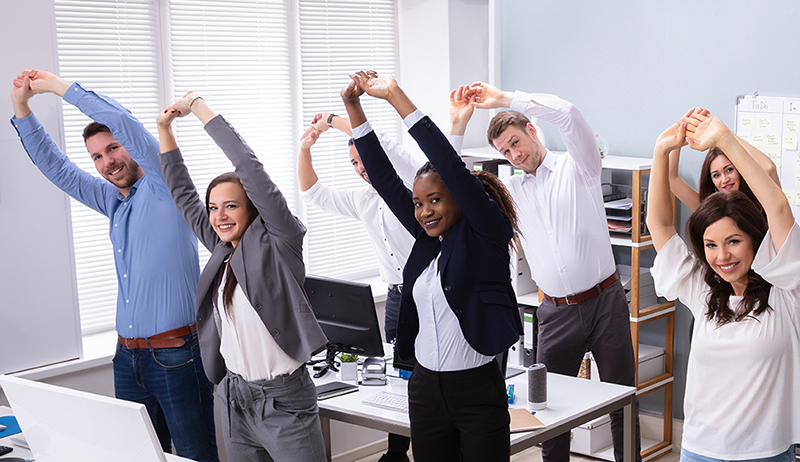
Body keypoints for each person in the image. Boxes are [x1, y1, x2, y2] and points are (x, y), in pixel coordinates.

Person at [9, 70, 218, 461]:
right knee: (137, 456)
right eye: (98, 156)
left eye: (113, 148)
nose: (108, 161)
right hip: (127, 358)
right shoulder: (113, 203)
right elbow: (57, 168)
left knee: (195, 456)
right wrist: (21, 106)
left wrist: (56, 86)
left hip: (177, 354)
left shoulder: (166, 185)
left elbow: (125, 123)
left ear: (131, 148)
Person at [340, 72, 523, 462]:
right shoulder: (426, 242)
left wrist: (394, 96)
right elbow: (386, 179)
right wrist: (354, 108)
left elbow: (449, 167)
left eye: (435, 200)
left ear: (458, 197)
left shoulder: (488, 236)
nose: (424, 211)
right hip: (424, 389)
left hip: (476, 391)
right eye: (419, 203)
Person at [458, 81, 642, 462]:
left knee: (621, 399)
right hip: (555, 313)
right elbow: (455, 185)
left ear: (532, 131)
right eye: (504, 151)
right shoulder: (509, 192)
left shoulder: (580, 167)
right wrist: (458, 124)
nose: (514, 154)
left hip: (605, 302)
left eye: (515, 142)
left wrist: (505, 99)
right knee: (548, 407)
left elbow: (570, 114)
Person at [156, 93, 328, 462]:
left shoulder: (281, 241)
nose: (219, 216)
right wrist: (164, 129)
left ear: (252, 206)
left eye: (231, 205)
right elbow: (183, 193)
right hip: (233, 398)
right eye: (214, 208)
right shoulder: (221, 249)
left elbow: (248, 166)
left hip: (283, 401)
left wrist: (199, 108)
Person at [648, 109, 799, 462]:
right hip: (701, 450)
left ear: (755, 240)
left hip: (766, 452)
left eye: (733, 241)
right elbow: (660, 226)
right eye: (711, 245)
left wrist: (725, 138)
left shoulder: (787, 288)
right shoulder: (701, 290)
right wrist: (660, 150)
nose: (721, 256)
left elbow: (777, 207)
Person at [298, 113, 418, 462]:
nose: (360, 168)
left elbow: (384, 144)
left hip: (429, 293)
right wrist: (305, 148)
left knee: (431, 375)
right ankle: (397, 451)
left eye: (364, 160)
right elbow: (313, 194)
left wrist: (334, 120)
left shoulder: (413, 188)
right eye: (353, 163)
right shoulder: (365, 200)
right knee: (400, 372)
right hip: (396, 297)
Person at [668, 112, 780, 211]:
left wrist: (725, 135)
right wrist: (681, 131)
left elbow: (769, 168)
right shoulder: (710, 209)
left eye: (729, 169)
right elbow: (672, 179)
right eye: (716, 175)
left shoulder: (764, 202)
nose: (725, 180)